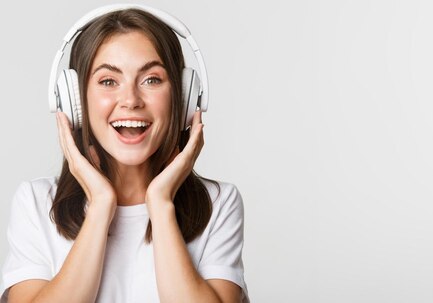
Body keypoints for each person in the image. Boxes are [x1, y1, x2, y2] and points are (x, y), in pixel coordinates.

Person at [0, 5, 249, 303]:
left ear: (182, 98)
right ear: (74, 100)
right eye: (108, 81)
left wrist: (160, 203)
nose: (131, 100)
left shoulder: (219, 204)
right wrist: (101, 206)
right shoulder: (36, 203)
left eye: (152, 80)